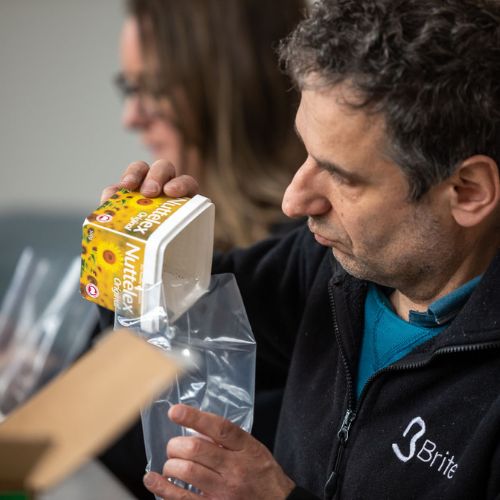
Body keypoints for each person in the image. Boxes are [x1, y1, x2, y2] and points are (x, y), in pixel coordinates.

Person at [102, 0, 500, 498]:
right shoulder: (327, 266)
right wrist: (139, 253)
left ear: (468, 191)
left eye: (340, 175)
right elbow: (172, 345)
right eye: (306, 153)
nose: (295, 200)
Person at [116, 0, 306, 252]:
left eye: (154, 88)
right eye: (129, 87)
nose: (130, 118)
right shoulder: (195, 240)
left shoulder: (312, 256)